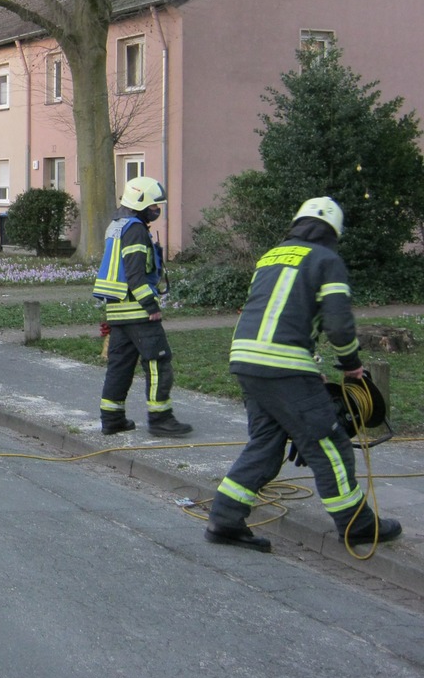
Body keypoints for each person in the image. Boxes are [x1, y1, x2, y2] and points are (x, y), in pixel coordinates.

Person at [205, 197, 401, 552]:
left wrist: (307, 369)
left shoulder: (271, 256)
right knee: (329, 444)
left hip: (247, 361)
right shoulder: (327, 260)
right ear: (333, 231)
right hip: (285, 367)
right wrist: (351, 366)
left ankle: (225, 518)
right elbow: (338, 324)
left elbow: (275, 314)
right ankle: (357, 525)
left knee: (266, 442)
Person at [92, 176, 193, 437]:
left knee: (120, 366)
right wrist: (151, 306)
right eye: (154, 205)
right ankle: (161, 419)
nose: (157, 210)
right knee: (159, 362)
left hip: (117, 311)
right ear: (141, 203)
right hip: (137, 311)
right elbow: (135, 274)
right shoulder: (135, 229)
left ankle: (112, 419)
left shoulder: (117, 225)